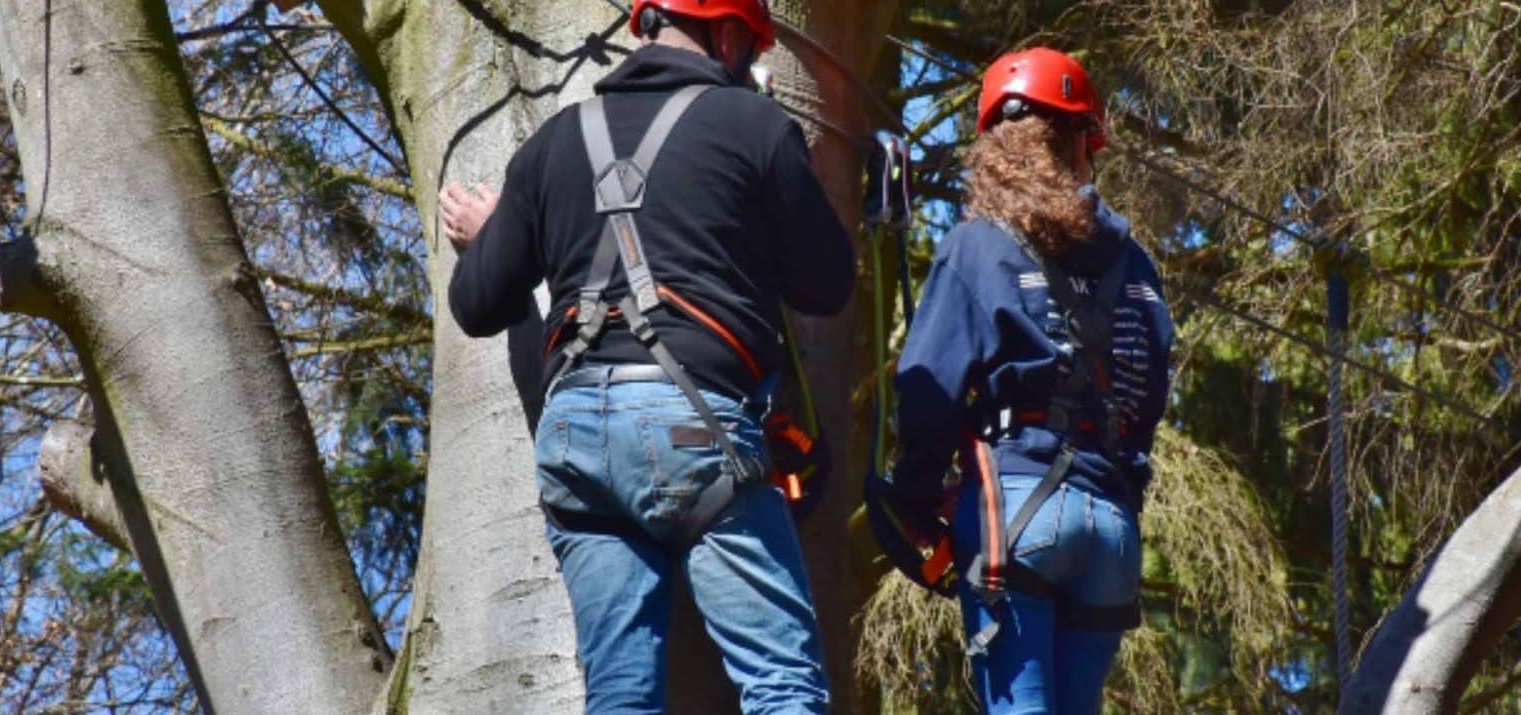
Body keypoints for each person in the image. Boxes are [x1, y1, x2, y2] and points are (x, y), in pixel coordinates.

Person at [440, 0, 856, 711]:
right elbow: (827, 284)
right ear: (727, 34)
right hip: (694, 428)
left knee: (620, 697)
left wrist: (492, 240)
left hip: (574, 440)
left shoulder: (554, 141)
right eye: (749, 50)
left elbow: (477, 304)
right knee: (783, 683)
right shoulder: (755, 126)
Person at [888, 47, 1175, 715]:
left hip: (1015, 508)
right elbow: (1152, 393)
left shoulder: (978, 243)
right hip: (1110, 526)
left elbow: (927, 383)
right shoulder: (1136, 267)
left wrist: (916, 496)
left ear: (995, 144)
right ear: (1082, 143)